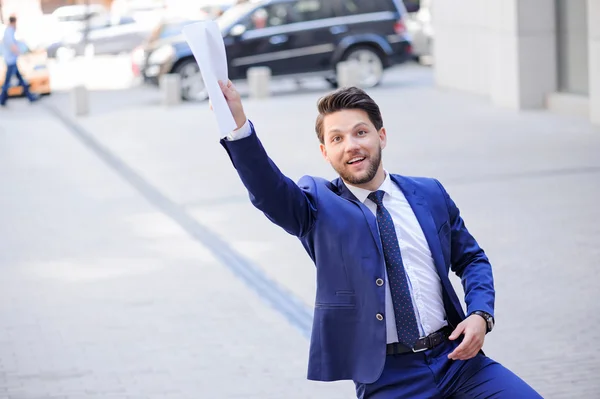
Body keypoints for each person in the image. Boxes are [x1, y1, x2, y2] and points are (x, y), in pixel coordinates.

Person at [217, 80, 542, 399]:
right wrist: (239, 129)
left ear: (381, 136)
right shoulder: (316, 207)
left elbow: (471, 259)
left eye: (361, 132)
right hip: (389, 380)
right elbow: (268, 191)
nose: (351, 145)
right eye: (337, 138)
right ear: (325, 153)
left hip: (458, 360)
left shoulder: (429, 194)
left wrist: (481, 314)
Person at [0, 16, 39, 107]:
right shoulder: (9, 31)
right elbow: (11, 45)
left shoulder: (10, 31)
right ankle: (2, 99)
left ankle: (29, 96)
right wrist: (19, 53)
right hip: (10, 60)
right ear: (13, 22)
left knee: (20, 80)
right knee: (8, 82)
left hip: (12, 60)